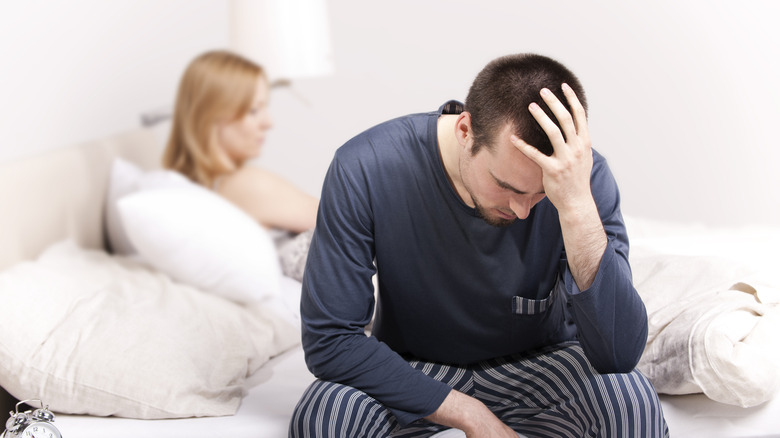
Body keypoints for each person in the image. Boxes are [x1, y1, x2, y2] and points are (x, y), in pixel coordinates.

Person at [289, 53, 668, 437]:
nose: (522, 211)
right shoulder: (366, 166)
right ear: (465, 130)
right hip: (412, 367)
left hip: (539, 366)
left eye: (539, 194)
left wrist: (575, 206)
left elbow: (619, 354)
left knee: (629, 398)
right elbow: (331, 339)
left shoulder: (582, 181)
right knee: (325, 416)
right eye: (507, 187)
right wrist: (468, 414)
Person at [162, 50, 318, 279]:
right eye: (254, 110)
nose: (268, 122)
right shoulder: (246, 184)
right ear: (210, 117)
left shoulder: (199, 192)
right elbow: (365, 225)